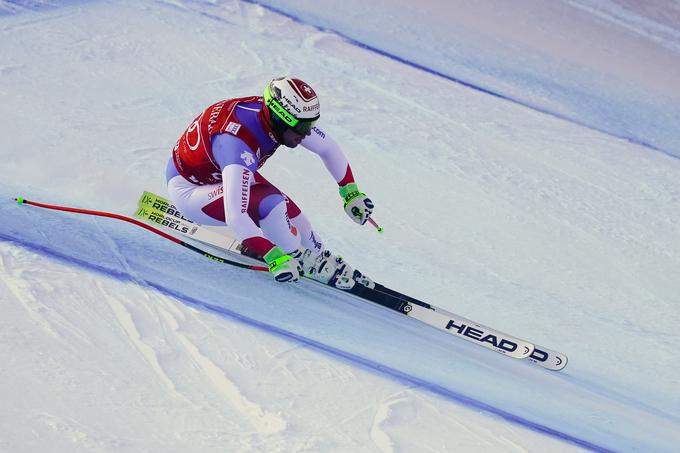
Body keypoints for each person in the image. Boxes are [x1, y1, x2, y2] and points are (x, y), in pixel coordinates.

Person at [166, 76, 375, 287]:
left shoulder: (277, 116)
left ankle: (315, 257)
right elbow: (235, 216)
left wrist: (350, 192)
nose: (308, 133)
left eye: (311, 124)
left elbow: (327, 148)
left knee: (299, 223)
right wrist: (273, 256)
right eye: (303, 127)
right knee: (272, 205)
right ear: (279, 119)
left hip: (218, 173)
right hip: (190, 190)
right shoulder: (238, 145)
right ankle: (295, 255)